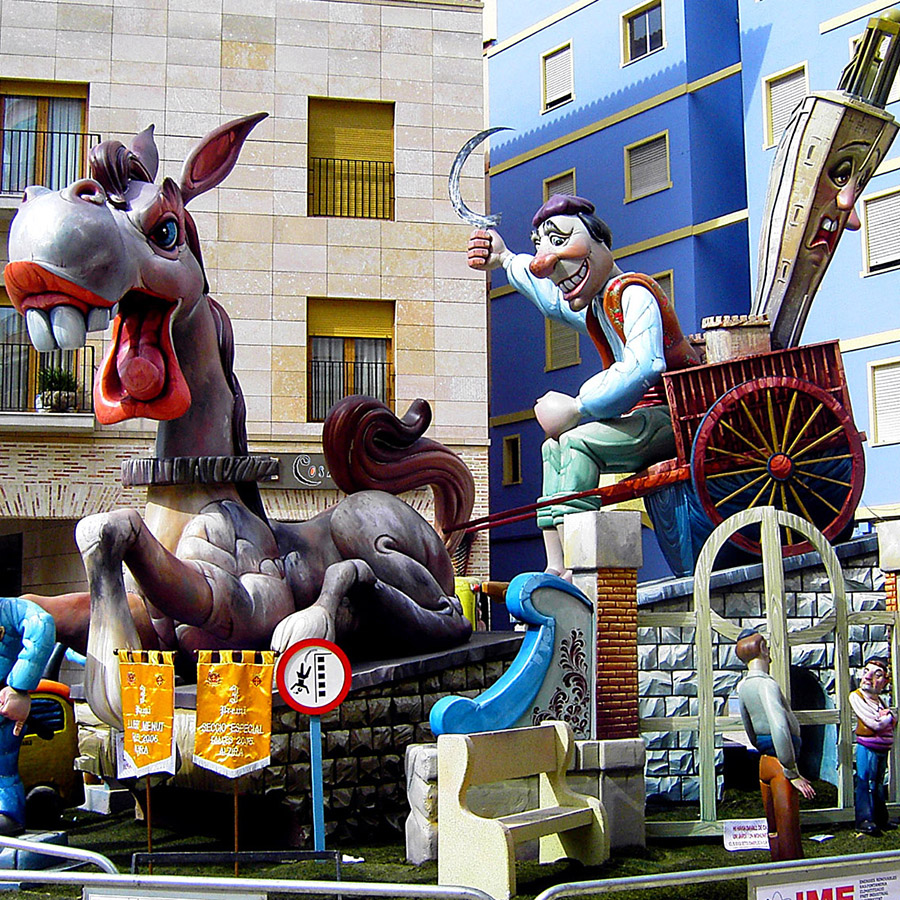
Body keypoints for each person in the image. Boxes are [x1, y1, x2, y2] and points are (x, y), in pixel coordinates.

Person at [468, 194, 699, 578]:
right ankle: (556, 565)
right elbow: (553, 302)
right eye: (540, 247)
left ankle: (579, 566)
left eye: (559, 241)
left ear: (599, 241)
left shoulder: (634, 293)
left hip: (670, 416)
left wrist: (579, 406)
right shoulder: (599, 304)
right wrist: (506, 260)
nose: (545, 262)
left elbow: (645, 365)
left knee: (577, 443)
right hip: (641, 419)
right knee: (552, 447)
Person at [736, 627, 815, 861]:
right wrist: (791, 770)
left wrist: (762, 748)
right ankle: (791, 871)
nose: (770, 654)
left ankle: (776, 860)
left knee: (774, 824)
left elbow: (748, 727)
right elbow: (779, 726)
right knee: (787, 825)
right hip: (781, 763)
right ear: (761, 648)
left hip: (765, 759)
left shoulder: (744, 687)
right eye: (767, 648)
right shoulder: (767, 685)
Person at [0, 597, 56, 834]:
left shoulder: (9, 611)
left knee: (3, 766)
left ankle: (7, 812)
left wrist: (18, 686)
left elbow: (41, 624)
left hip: (4, 709)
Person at [849, 656, 895, 836]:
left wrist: (888, 716)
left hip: (883, 749)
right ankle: (864, 819)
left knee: (878, 783)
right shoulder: (857, 697)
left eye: (877, 675)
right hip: (868, 747)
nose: (868, 677)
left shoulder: (880, 701)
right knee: (866, 781)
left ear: (884, 682)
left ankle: (880, 818)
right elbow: (874, 723)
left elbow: (893, 720)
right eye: (867, 671)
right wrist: (888, 717)